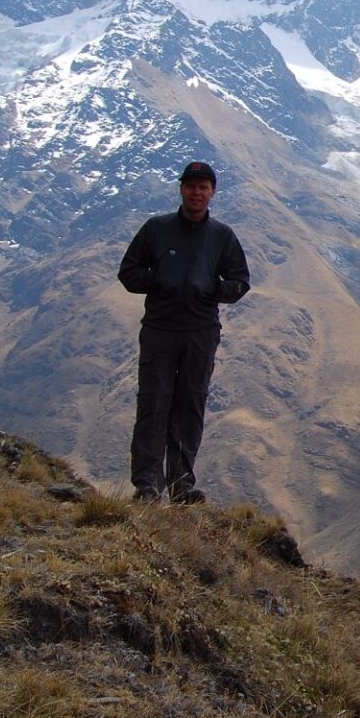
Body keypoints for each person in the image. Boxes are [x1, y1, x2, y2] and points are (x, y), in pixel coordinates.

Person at [116, 161, 250, 503]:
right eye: (191, 186)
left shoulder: (222, 236)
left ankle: (181, 485)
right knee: (153, 404)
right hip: (160, 330)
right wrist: (161, 282)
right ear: (181, 189)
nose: (197, 192)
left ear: (213, 192)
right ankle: (147, 486)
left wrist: (210, 289)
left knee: (189, 406)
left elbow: (240, 282)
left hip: (200, 332)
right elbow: (129, 273)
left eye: (204, 187)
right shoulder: (156, 230)